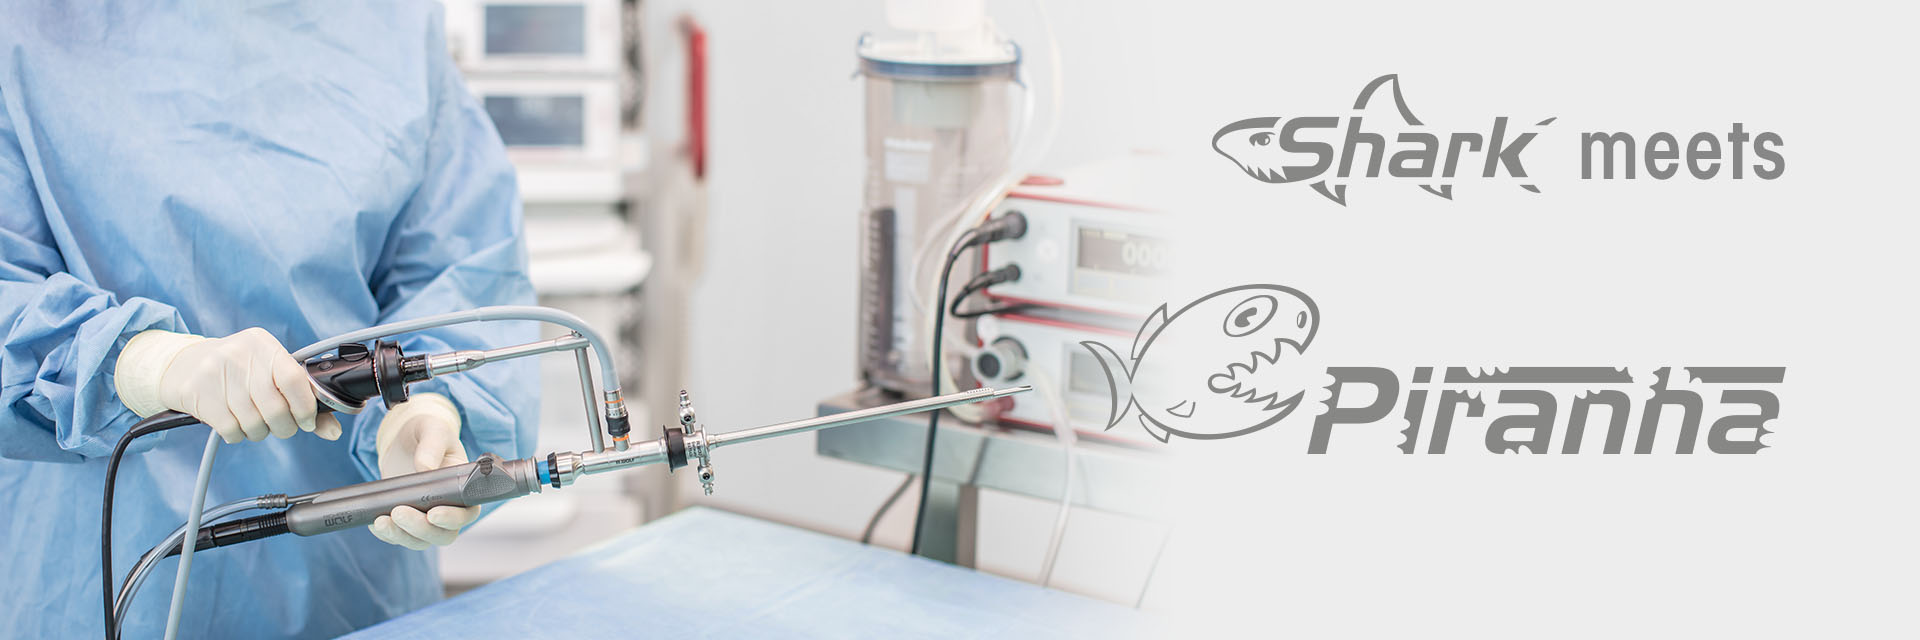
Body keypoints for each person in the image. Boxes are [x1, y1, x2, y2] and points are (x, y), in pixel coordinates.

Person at [0, 3, 540, 637]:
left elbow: (458, 270)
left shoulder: (389, 25)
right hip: (89, 576)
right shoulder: (24, 32)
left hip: (348, 572)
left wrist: (428, 412)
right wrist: (143, 365)